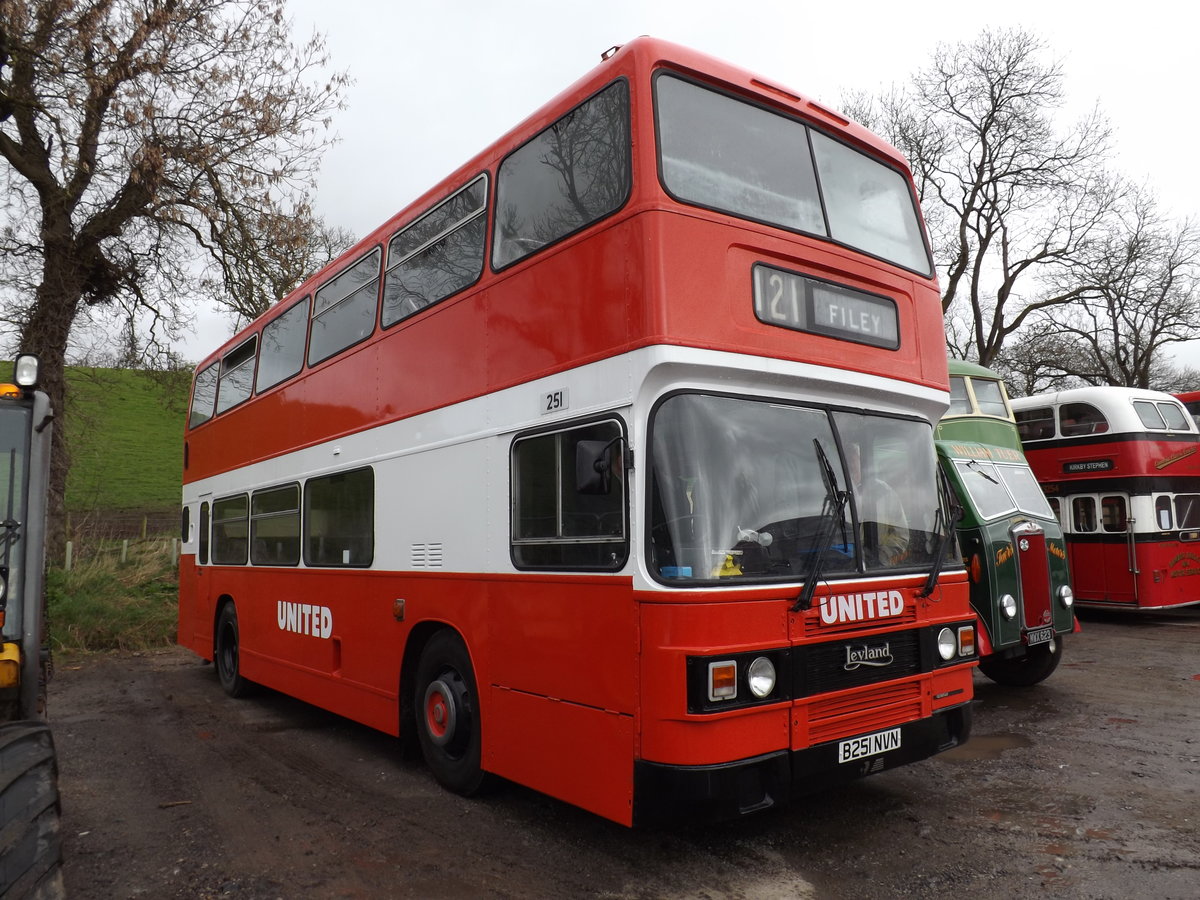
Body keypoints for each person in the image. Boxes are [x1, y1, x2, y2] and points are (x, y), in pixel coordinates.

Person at [844, 442, 910, 567]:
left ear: (862, 462)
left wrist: (879, 556)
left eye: (854, 458)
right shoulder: (835, 492)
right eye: (846, 459)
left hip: (878, 568)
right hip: (842, 568)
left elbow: (901, 536)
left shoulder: (885, 493)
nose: (851, 464)